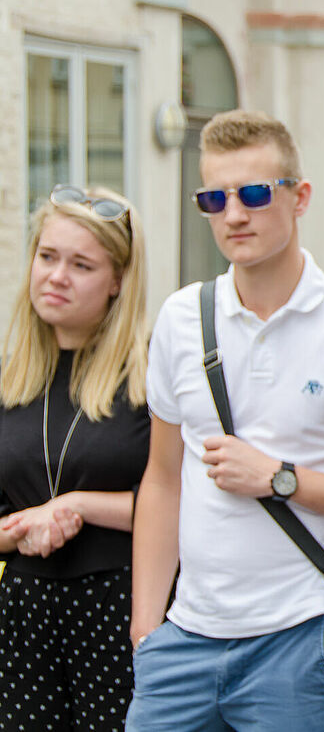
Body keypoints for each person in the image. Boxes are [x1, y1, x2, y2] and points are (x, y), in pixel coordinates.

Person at [126, 110, 324, 731]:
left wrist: (280, 477)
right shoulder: (179, 319)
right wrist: (147, 624)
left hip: (302, 638)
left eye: (252, 193)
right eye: (213, 199)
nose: (234, 215)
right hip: (184, 638)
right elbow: (163, 479)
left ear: (299, 198)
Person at [0, 185, 148, 731]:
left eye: (81, 264)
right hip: (24, 623)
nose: (56, 276)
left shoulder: (152, 380)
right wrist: (22, 530)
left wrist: (78, 506)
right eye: (47, 256)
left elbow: (188, 505)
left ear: (117, 283)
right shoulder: (9, 380)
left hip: (122, 615)